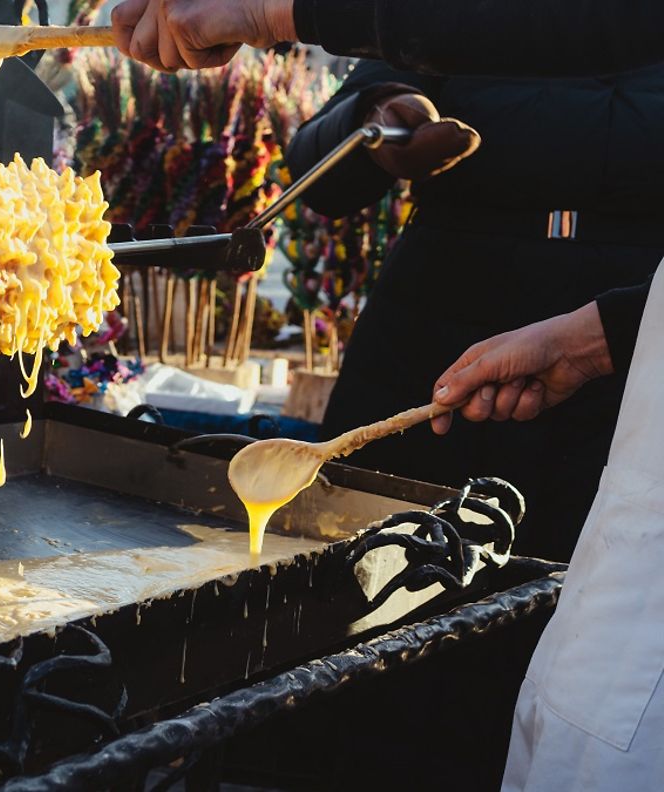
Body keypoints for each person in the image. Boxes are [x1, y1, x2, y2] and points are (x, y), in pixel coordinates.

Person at [106, 0, 664, 789]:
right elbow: (324, 170)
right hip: (434, 339)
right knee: (371, 606)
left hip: (625, 364)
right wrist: (381, 124)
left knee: (562, 625)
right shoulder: (451, 27)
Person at [283, 62, 664, 562]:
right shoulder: (465, 14)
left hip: (634, 333)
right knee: (363, 562)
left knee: (598, 571)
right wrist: (378, 116)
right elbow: (322, 173)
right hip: (436, 318)